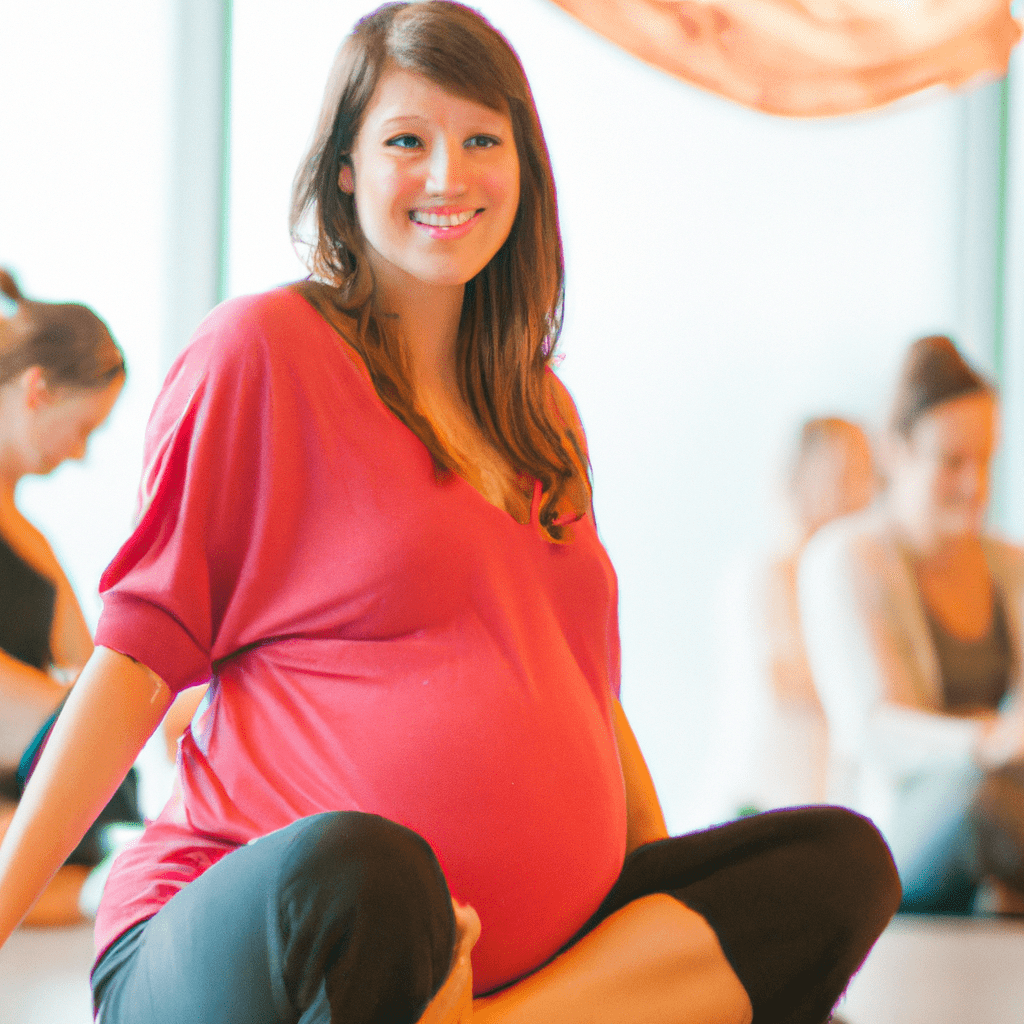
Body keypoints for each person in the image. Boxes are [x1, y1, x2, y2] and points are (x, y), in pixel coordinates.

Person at [0, 5, 900, 1023]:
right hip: (265, 926)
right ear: (344, 168)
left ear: (523, 165)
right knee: (372, 863)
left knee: (838, 862)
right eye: (404, 142)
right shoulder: (261, 351)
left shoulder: (541, 415)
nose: (447, 176)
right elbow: (133, 663)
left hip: (506, 966)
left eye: (482, 139)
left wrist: (642, 886)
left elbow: (584, 692)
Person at [800, 335, 1024, 915]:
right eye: (952, 461)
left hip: (1001, 824)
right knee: (985, 794)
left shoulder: (1010, 568)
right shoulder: (846, 559)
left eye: (985, 461)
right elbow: (870, 729)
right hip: (893, 838)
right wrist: (987, 742)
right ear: (896, 450)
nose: (974, 485)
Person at [0, 267, 135, 925]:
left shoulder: (34, 546)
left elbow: (104, 674)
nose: (79, 453)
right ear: (36, 391)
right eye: (80, 426)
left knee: (103, 741)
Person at [715, 417, 876, 816]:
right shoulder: (766, 572)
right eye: (844, 476)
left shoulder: (849, 581)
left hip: (824, 800)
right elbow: (783, 675)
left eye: (863, 476)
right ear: (800, 477)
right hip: (767, 800)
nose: (860, 495)